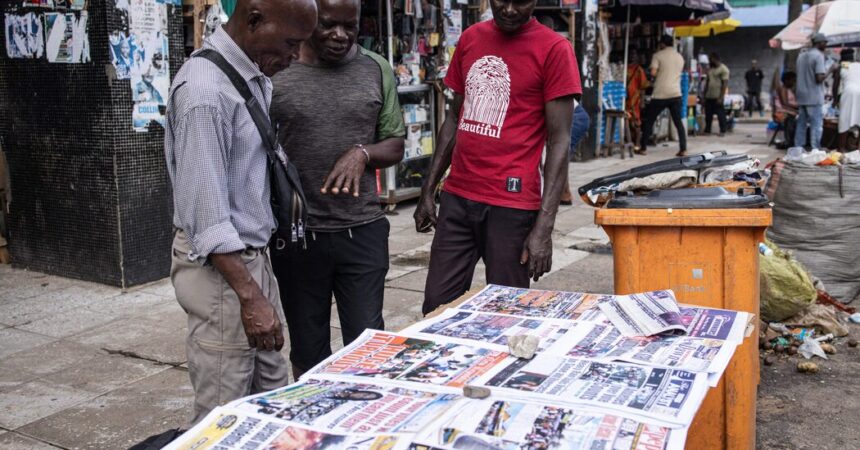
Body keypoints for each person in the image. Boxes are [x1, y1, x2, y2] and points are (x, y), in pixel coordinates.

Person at [164, 0, 317, 424]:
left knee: (272, 396)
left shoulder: (248, 75)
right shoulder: (205, 93)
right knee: (224, 413)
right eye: (290, 43)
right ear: (253, 20)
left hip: (251, 260)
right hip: (223, 274)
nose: (294, 57)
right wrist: (251, 298)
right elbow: (208, 218)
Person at [414, 0, 581, 315]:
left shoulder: (555, 49)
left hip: (512, 206)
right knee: (436, 307)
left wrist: (544, 227)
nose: (509, 9)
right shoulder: (471, 38)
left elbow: (559, 139)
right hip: (458, 197)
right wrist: (429, 188)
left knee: (507, 313)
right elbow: (453, 117)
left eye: (521, 1)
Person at [268, 0, 406, 379]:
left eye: (350, 26)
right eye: (329, 25)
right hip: (298, 236)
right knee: (308, 351)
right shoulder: (279, 70)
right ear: (309, 19)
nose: (340, 36)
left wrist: (363, 153)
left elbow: (395, 143)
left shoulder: (375, 68)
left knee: (367, 348)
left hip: (361, 230)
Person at [639, 34, 686, 157]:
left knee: (649, 120)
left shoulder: (658, 55)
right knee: (678, 123)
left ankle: (643, 147)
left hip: (660, 93)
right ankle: (683, 149)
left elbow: (653, 72)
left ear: (662, 44)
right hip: (676, 93)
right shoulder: (680, 57)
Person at [795, 33, 836, 149]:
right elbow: (819, 78)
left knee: (801, 124)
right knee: (816, 125)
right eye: (825, 43)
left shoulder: (801, 56)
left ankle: (798, 147)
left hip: (801, 95)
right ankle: (815, 148)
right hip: (814, 96)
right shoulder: (818, 56)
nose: (826, 45)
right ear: (819, 43)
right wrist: (831, 70)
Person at [560, 104, 591, 205]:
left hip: (575, 117)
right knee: (561, 157)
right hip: (574, 116)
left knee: (560, 157)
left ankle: (565, 195)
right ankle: (564, 195)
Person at [836, 49, 860, 149]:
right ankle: (858, 149)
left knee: (844, 120)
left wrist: (835, 100)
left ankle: (841, 148)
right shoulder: (858, 65)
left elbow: (835, 85)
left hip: (848, 92)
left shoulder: (843, 66)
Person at [703, 52, 730, 136]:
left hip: (717, 96)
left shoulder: (723, 69)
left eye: (711, 59)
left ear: (715, 59)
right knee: (708, 114)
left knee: (720, 114)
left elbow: (724, 84)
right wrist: (704, 95)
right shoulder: (710, 69)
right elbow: (707, 82)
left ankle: (723, 130)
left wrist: (721, 97)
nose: (710, 61)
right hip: (709, 95)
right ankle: (707, 130)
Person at [774, 71, 799, 149]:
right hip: (782, 112)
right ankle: (790, 142)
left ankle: (793, 141)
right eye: (793, 80)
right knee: (792, 119)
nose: (794, 83)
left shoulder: (788, 89)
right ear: (786, 80)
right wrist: (796, 109)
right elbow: (784, 104)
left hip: (787, 110)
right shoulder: (783, 89)